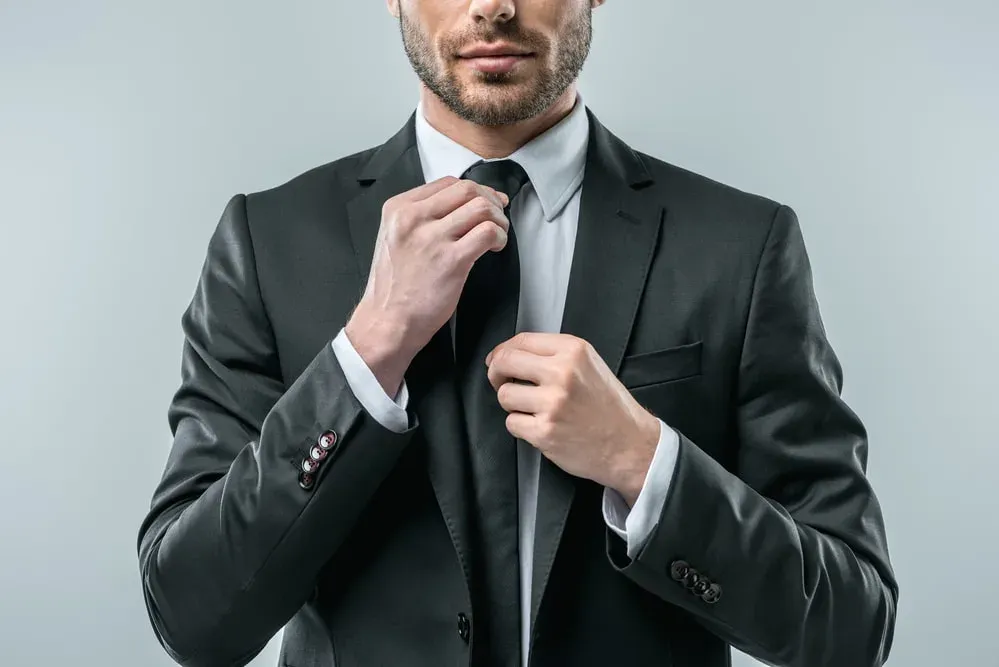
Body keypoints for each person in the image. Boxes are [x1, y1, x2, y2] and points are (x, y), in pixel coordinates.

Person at [136, 1, 898, 666]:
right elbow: (194, 619)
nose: (493, 5)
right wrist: (364, 357)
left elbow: (850, 625)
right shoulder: (267, 244)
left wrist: (645, 463)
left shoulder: (740, 247)